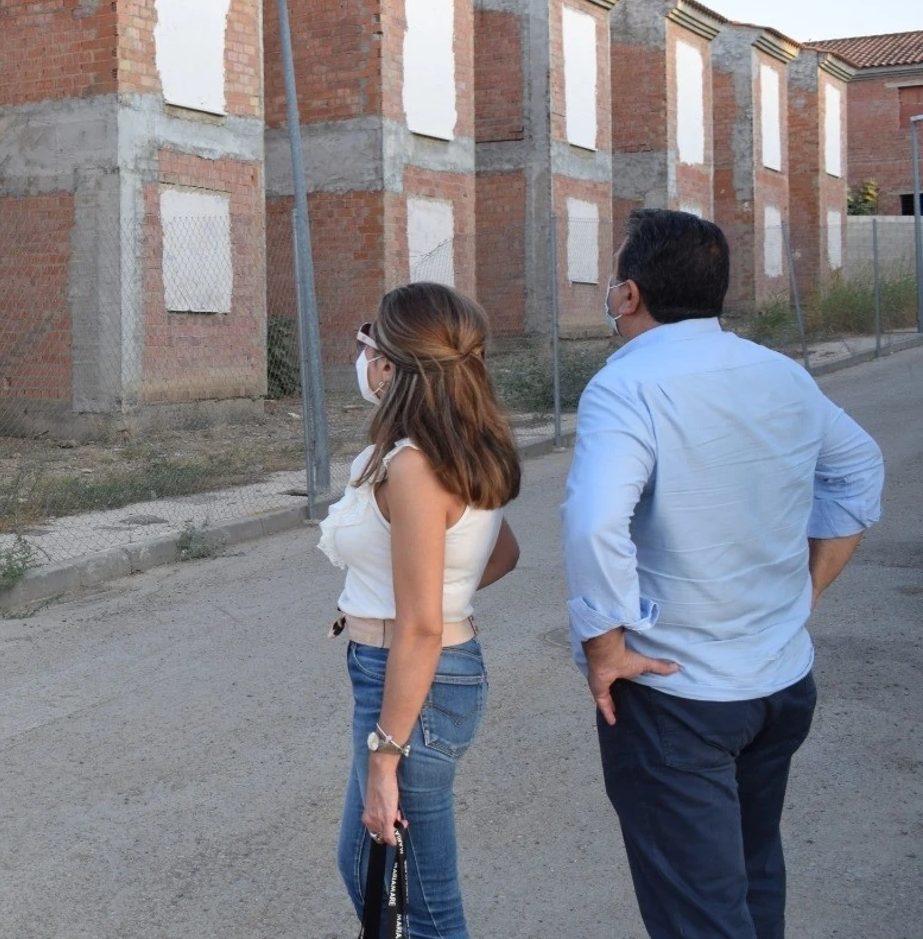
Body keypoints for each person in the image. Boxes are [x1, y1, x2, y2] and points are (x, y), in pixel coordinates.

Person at [563, 209, 884, 939]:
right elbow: (859, 466)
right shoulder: (781, 374)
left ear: (628, 295)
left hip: (680, 697)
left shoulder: (626, 386)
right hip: (778, 684)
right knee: (750, 877)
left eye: (615, 279)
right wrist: (810, 587)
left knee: (702, 914)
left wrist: (605, 645)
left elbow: (591, 522)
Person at [319, 281, 523, 939]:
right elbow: (501, 551)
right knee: (364, 861)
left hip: (412, 681)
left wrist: (386, 756)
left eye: (369, 338)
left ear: (393, 364)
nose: (362, 352)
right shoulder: (459, 442)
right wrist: (440, 593)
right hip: (421, 671)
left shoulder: (414, 465)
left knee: (425, 905)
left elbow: (423, 623)